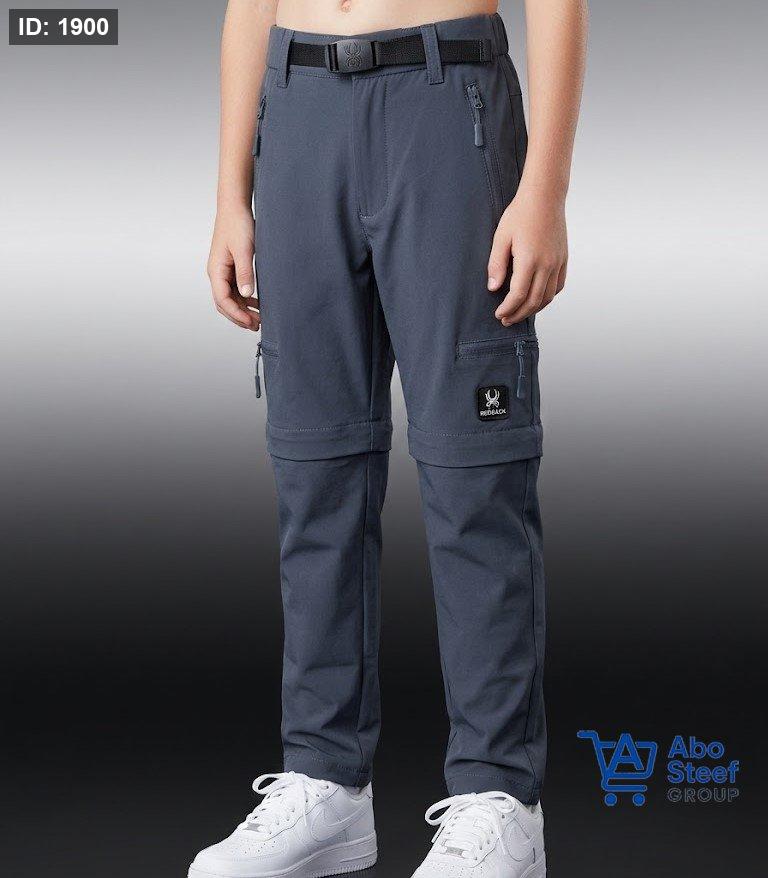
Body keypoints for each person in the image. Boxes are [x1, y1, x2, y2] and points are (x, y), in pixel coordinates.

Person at [192, 1, 586, 876]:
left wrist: (545, 188)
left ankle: (501, 798)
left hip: (444, 103)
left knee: (474, 473)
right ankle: (325, 779)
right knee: (315, 469)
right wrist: (230, 194)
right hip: (298, 108)